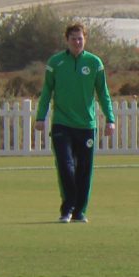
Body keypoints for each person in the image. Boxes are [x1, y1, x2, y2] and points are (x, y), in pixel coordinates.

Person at [31, 20, 115, 223]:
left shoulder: (95, 63)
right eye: (73, 39)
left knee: (84, 169)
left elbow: (103, 93)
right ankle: (67, 209)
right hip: (62, 124)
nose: (77, 42)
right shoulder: (56, 62)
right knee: (66, 166)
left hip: (86, 125)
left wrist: (110, 119)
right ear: (66, 40)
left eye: (80, 38)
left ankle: (80, 211)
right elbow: (47, 92)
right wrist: (41, 117)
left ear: (85, 39)